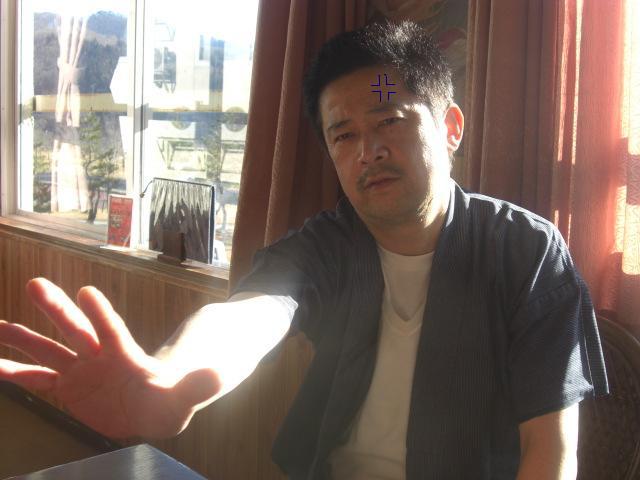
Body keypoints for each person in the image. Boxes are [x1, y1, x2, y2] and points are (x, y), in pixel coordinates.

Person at [0, 21, 608, 480]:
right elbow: (250, 316)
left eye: (389, 120)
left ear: (449, 127)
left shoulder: (526, 252)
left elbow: (551, 450)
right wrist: (170, 373)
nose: (368, 150)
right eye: (344, 134)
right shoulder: (329, 244)